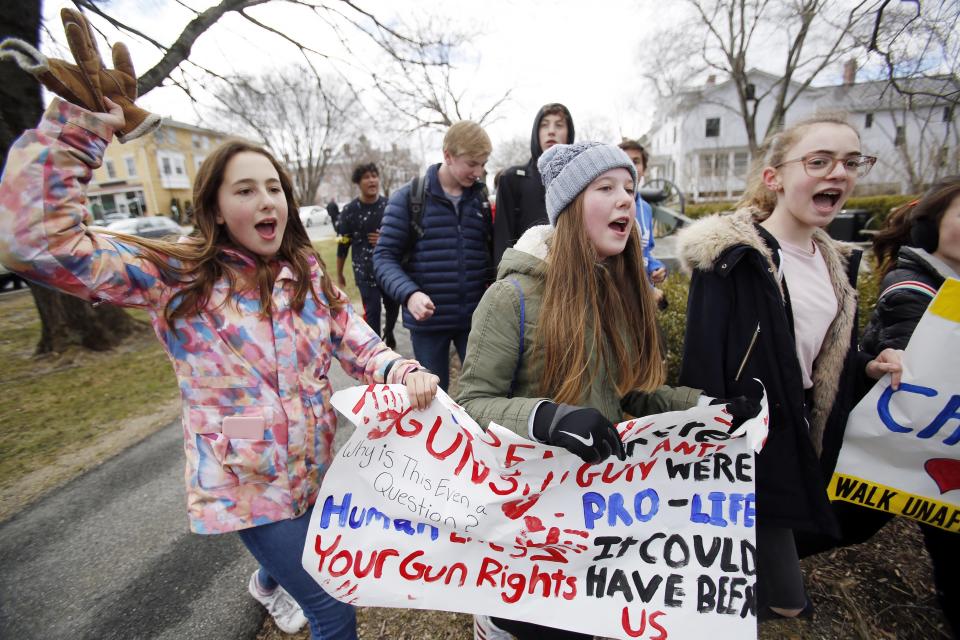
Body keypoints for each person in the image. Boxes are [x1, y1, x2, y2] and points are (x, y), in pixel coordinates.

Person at [0, 96, 440, 639]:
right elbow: (34, 244)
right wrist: (80, 131)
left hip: (312, 467)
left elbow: (355, 339)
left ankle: (270, 580)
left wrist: (401, 371)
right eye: (246, 189)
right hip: (245, 482)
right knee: (332, 605)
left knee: (302, 554)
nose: (266, 200)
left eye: (274, 188)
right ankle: (285, 577)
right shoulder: (179, 274)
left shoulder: (301, 269)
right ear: (212, 206)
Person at [457, 142, 747, 640]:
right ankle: (494, 621)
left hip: (596, 520)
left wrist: (704, 409)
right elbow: (470, 406)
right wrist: (550, 418)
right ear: (570, 206)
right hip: (527, 529)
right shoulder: (510, 297)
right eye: (606, 188)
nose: (624, 201)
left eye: (630, 190)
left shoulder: (615, 292)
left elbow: (630, 398)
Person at [676, 114, 904, 621]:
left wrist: (867, 367)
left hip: (804, 432)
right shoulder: (733, 259)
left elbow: (820, 355)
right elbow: (701, 364)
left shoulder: (835, 261)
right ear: (774, 177)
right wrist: (712, 452)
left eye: (850, 162)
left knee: (768, 591)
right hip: (749, 445)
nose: (838, 174)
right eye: (819, 161)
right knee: (775, 599)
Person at [839, 176, 958, 637]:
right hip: (891, 445)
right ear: (930, 228)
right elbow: (916, 354)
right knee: (844, 524)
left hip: (933, 453)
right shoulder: (909, 287)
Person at [374, 120, 494, 391]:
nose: (479, 172)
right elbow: (383, 257)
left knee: (486, 392)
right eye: (472, 163)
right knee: (433, 398)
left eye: (483, 163)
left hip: (475, 321)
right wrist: (410, 294)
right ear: (448, 155)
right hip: (429, 324)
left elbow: (486, 254)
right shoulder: (408, 198)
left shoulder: (480, 199)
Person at [492, 103, 575, 267]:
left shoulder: (580, 181)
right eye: (544, 125)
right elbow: (502, 239)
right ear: (536, 132)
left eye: (559, 125)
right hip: (524, 278)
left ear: (569, 133)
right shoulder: (512, 179)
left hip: (570, 276)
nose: (551, 130)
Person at [335, 162, 399, 348]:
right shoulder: (349, 210)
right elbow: (343, 244)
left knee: (393, 307)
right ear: (358, 182)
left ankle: (389, 331)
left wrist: (386, 237)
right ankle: (377, 351)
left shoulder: (390, 206)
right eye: (366, 177)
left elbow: (403, 237)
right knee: (373, 311)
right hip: (364, 270)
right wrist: (339, 272)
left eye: (374, 176)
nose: (372, 180)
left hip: (389, 268)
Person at [618, 139, 667, 308]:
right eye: (624, 159)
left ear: (644, 170)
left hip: (645, 300)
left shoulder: (645, 208)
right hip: (622, 298)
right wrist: (647, 290)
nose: (630, 165)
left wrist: (657, 268)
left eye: (636, 161)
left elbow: (645, 251)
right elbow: (614, 259)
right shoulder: (612, 205)